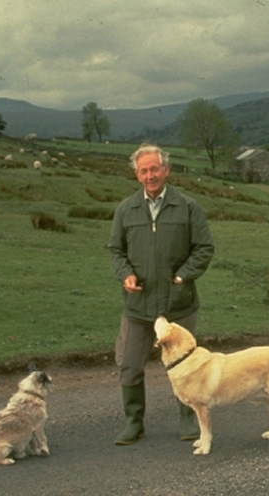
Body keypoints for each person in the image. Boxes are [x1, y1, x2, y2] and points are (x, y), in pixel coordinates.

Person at [106, 143, 214, 445]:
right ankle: (133, 422)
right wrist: (125, 274)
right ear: (137, 176)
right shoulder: (126, 209)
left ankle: (187, 419)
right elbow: (116, 249)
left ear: (166, 170)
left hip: (178, 304)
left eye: (155, 169)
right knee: (129, 364)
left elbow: (204, 248)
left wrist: (183, 275)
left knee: (186, 365)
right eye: (144, 171)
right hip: (138, 306)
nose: (150, 175)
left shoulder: (188, 207)